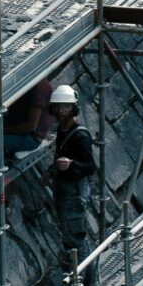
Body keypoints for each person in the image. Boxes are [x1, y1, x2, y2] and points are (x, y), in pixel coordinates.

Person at [51, 82, 98, 270]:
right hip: (64, 190)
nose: (62, 110)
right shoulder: (62, 131)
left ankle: (89, 279)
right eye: (58, 106)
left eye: (66, 106)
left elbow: (90, 167)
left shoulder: (80, 136)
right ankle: (77, 276)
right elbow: (58, 155)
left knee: (77, 237)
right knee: (69, 236)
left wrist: (72, 165)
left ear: (73, 108)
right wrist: (50, 171)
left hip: (74, 192)